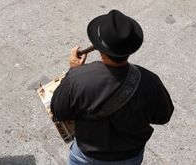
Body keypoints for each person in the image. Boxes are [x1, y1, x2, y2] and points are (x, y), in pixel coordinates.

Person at [50, 9, 174, 164]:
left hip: (86, 157)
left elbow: (58, 110)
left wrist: (73, 70)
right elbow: (163, 116)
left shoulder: (78, 78)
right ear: (130, 50)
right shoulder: (150, 81)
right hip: (129, 158)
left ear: (99, 49)